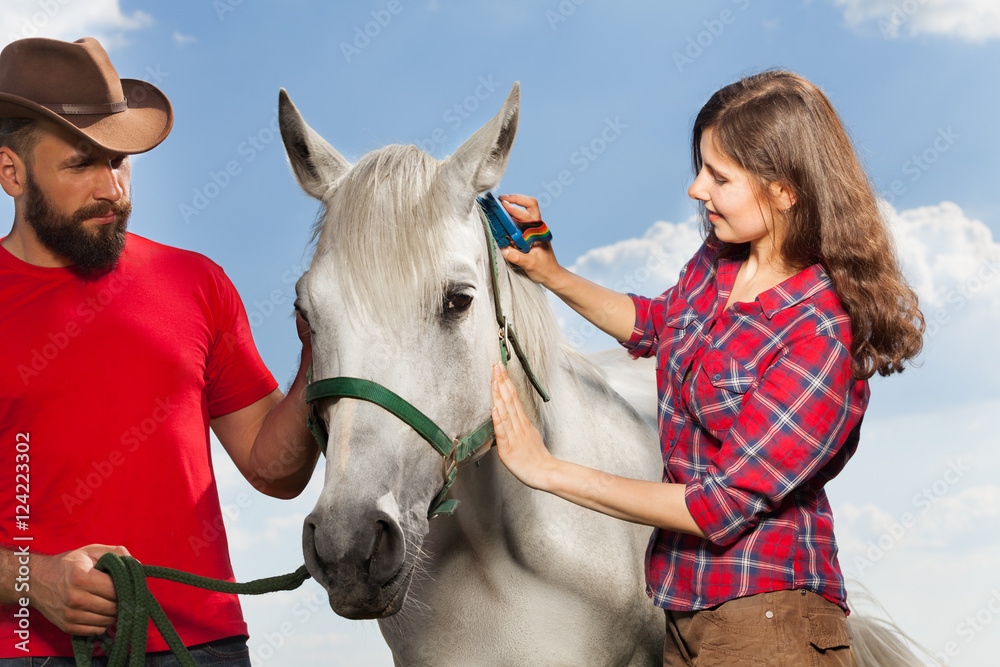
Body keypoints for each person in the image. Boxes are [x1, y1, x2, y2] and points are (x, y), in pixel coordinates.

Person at [489, 70, 924, 665]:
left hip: (772, 625)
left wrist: (546, 470)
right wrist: (552, 273)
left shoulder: (820, 334)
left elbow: (712, 506)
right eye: (701, 169)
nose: (696, 190)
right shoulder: (720, 262)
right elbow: (656, 325)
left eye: (719, 176)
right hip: (685, 612)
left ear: (785, 190)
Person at [0, 37, 319, 664]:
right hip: (25, 648)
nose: (111, 188)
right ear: (11, 172)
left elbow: (275, 469)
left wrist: (319, 356)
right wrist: (29, 579)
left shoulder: (195, 283)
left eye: (120, 162)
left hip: (203, 645)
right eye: (80, 165)